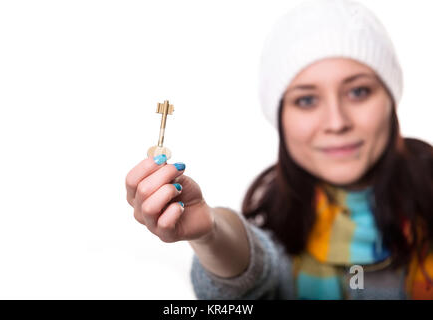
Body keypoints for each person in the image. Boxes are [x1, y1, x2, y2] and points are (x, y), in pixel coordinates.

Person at [125, 0, 433, 299]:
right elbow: (255, 268)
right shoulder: (279, 223)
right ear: (281, 118)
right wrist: (208, 233)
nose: (336, 122)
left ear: (390, 100)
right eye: (307, 100)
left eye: (358, 91)